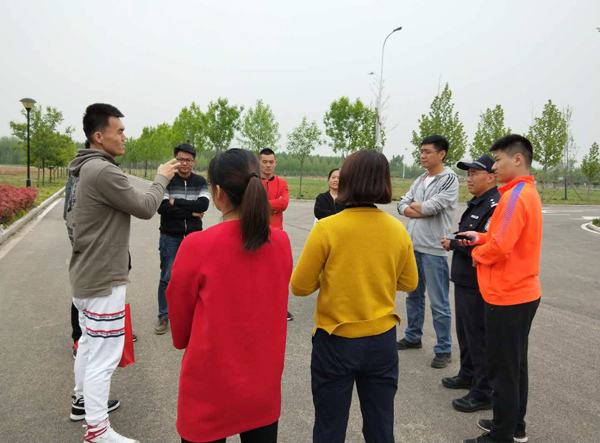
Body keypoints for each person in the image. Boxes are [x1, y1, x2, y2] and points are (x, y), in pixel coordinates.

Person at [67, 103, 179, 443]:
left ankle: (82, 401)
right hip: (103, 279)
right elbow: (145, 207)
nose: (124, 137)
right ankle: (98, 431)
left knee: (89, 345)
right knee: (105, 354)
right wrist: (162, 177)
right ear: (99, 137)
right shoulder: (103, 171)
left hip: (87, 274)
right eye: (119, 131)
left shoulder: (86, 169)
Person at [291, 150, 418, 443]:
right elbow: (409, 281)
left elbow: (300, 286)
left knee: (330, 426)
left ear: (346, 181)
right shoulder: (397, 229)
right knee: (380, 426)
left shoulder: (327, 228)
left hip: (336, 340)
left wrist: (332, 276)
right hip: (382, 340)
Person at [166, 148, 293, 443]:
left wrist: (182, 339)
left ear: (218, 192)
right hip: (262, 382)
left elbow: (180, 317)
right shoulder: (281, 241)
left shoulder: (198, 245)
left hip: (210, 383)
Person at [460, 135, 542, 443]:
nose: (494, 166)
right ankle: (512, 425)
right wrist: (479, 238)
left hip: (507, 295)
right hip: (523, 293)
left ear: (517, 160)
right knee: (515, 365)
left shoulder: (515, 196)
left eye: (498, 160)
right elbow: (503, 237)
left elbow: (500, 248)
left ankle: (502, 434)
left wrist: (477, 255)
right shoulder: (527, 192)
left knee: (502, 370)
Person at [440, 154, 500, 413]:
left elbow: (487, 243)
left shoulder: (495, 204)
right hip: (465, 278)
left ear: (491, 176)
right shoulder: (478, 202)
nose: (469, 178)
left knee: (478, 336)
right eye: (468, 173)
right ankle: (467, 374)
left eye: (475, 173)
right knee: (464, 332)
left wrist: (453, 244)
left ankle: (483, 391)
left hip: (480, 282)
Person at [396, 135, 459, 368]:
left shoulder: (449, 179)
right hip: (413, 247)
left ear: (441, 154)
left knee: (439, 302)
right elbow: (401, 204)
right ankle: (413, 336)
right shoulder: (421, 178)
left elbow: (434, 207)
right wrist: (415, 208)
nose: (423, 155)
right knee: (413, 296)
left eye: (428, 151)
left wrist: (416, 207)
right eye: (421, 151)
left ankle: (444, 348)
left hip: (434, 249)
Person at [154, 143, 209, 335]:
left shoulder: (200, 181)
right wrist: (191, 212)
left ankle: (191, 315)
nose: (184, 163)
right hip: (170, 236)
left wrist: (175, 202)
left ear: (194, 161)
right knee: (167, 277)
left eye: (188, 160)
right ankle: (163, 316)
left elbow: (203, 205)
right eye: (180, 159)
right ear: (174, 160)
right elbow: (161, 207)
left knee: (194, 278)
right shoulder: (167, 180)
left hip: (194, 237)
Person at [259, 148, 293, 321]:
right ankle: (259, 306)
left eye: (271, 162)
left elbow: (284, 203)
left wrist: (261, 204)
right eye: (264, 161)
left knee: (278, 273)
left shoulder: (282, 182)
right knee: (258, 272)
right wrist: (273, 205)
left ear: (275, 163)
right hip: (256, 231)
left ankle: (280, 308)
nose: (268, 165)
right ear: (259, 162)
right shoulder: (253, 183)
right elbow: (249, 203)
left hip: (277, 233)